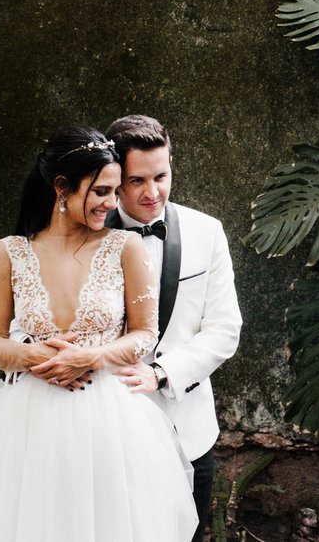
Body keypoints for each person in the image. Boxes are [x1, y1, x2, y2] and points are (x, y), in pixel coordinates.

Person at [0, 126, 198, 542]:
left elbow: (145, 333)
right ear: (62, 187)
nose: (112, 202)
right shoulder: (10, 251)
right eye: (101, 191)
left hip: (111, 422)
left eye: (114, 190)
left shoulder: (125, 247)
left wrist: (91, 358)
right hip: (23, 425)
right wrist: (34, 358)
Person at [104, 114, 243, 542]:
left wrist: (161, 373)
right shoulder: (83, 236)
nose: (152, 192)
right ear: (114, 179)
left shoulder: (208, 231)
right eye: (137, 180)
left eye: (161, 176)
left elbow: (224, 328)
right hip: (108, 429)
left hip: (187, 426)